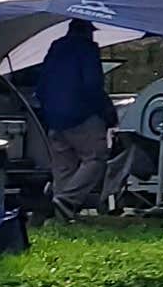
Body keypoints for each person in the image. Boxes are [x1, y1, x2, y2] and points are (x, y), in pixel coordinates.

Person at [33, 17, 113, 212]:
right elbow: (92, 85)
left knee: (64, 167)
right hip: (81, 116)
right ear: (87, 31)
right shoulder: (87, 49)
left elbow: (41, 86)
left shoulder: (55, 48)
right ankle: (68, 201)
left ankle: (60, 211)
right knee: (96, 158)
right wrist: (105, 112)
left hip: (54, 119)